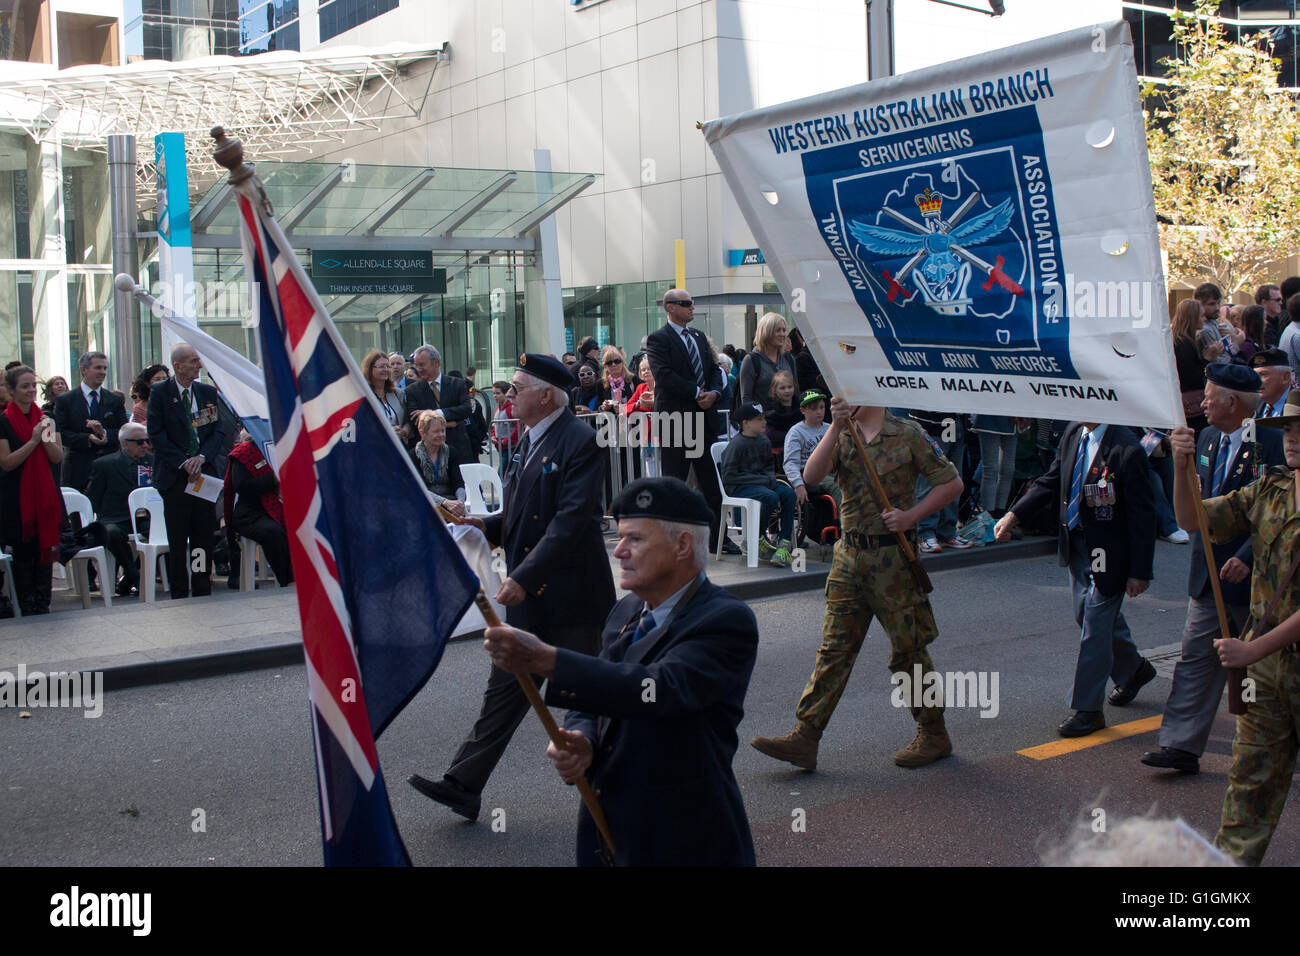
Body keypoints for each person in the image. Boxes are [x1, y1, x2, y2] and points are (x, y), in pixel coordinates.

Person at [483, 476, 758, 866]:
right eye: (620, 538)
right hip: (611, 830)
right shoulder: (626, 610)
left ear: (681, 545)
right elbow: (597, 691)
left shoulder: (725, 620)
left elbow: (657, 689)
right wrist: (583, 738)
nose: (619, 552)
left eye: (635, 539)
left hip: (685, 839)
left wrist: (547, 659)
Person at [409, 354, 615, 821]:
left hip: (572, 600)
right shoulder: (527, 441)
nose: (506, 395)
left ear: (545, 396)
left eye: (517, 388)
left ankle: (615, 790)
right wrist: (488, 526)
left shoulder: (579, 441)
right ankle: (464, 783)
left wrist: (523, 577)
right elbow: (525, 512)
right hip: (532, 596)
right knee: (505, 690)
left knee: (591, 700)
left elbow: (571, 521)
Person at [751, 398, 964, 769]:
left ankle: (934, 733)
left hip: (892, 561)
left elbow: (952, 483)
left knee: (908, 652)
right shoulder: (842, 434)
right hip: (849, 557)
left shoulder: (909, 434)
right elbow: (813, 476)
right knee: (834, 649)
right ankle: (807, 735)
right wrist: (835, 425)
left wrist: (911, 516)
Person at [1166, 395, 1300, 864]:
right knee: (1248, 794)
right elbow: (1192, 519)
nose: (1292, 437)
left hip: (1262, 656)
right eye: (1287, 428)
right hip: (1268, 677)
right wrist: (1184, 468)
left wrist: (1252, 649)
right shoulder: (1270, 492)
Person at [1142, 364, 1284, 774]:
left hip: (1258, 580)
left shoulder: (1273, 444)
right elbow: (1191, 511)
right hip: (1209, 576)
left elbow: (1279, 514)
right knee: (1196, 659)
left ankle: (1269, 749)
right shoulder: (1205, 438)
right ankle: (1180, 745)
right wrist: (1181, 463)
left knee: (1267, 668)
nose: (1201, 404)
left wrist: (1249, 555)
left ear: (1233, 402)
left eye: (1209, 397)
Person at [995, 419, 1156, 737]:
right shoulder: (1073, 434)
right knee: (1085, 614)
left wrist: (1140, 571)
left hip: (1111, 550)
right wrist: (1014, 515)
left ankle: (1087, 709)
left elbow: (1143, 514)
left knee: (1095, 625)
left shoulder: (1127, 448)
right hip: (1078, 543)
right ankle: (1134, 669)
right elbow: (1052, 479)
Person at [645, 288, 728, 553]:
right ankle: (671, 543)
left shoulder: (699, 336)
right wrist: (696, 392)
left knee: (712, 485)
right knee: (674, 484)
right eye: (686, 303)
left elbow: (714, 369)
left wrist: (713, 393)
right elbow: (664, 375)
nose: (692, 307)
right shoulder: (658, 339)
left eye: (692, 303)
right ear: (670, 307)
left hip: (703, 420)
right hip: (675, 421)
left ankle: (718, 540)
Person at [147, 343, 228, 600]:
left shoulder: (205, 392)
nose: (199, 366)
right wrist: (184, 462)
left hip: (203, 474)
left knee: (202, 536)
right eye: (193, 361)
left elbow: (217, 430)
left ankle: (201, 584)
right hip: (175, 476)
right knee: (178, 537)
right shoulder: (160, 392)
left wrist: (201, 457)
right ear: (178, 366)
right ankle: (179, 590)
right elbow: (156, 434)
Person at [0, 365, 64, 614]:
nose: (30, 391)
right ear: (11, 390)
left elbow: (57, 457)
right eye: (24, 387)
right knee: (24, 553)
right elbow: (7, 463)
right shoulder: (4, 421)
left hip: (44, 496)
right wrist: (33, 440)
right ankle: (25, 605)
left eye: (33, 386)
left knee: (44, 549)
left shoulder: (45, 418)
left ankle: (42, 603)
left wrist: (45, 437)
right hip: (15, 498)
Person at [722, 403, 797, 567]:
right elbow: (729, 477)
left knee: (789, 494)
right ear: (745, 423)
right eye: (759, 419)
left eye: (764, 418)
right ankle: (756, 537)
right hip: (739, 487)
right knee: (770, 496)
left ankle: (784, 542)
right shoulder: (737, 445)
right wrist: (762, 481)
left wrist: (769, 479)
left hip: (762, 483)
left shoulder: (763, 440)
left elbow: (769, 468)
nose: (764, 422)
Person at [86, 421, 154, 597]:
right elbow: (93, 497)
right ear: (125, 444)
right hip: (115, 517)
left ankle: (130, 576)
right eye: (140, 442)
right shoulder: (104, 464)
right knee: (112, 533)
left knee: (163, 534)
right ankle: (133, 574)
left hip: (144, 517)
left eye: (147, 441)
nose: (145, 446)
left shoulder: (152, 461)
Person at [223, 430, 292, 587]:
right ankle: (289, 580)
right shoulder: (244, 453)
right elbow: (242, 487)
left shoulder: (284, 448)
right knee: (273, 532)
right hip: (251, 514)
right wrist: (274, 478)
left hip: (282, 508)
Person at [54, 350, 126, 493]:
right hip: (77, 469)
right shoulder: (65, 400)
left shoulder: (115, 400)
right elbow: (61, 433)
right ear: (84, 370)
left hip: (108, 467)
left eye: (105, 368)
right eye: (98, 368)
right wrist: (87, 438)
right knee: (77, 513)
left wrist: (105, 434)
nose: (103, 372)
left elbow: (123, 431)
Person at [910, 409, 972, 553]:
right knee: (929, 482)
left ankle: (947, 531)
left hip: (955, 422)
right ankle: (925, 533)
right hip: (933, 423)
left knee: (953, 480)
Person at [402, 345, 473, 461]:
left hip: (458, 449)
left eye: (422, 365)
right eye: (416, 365)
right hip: (429, 454)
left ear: (436, 362)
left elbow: (466, 409)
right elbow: (415, 418)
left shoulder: (457, 384)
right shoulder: (412, 390)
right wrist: (451, 422)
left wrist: (435, 413)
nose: (419, 369)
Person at [410, 410, 466, 517]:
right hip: (425, 505)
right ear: (422, 433)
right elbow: (419, 489)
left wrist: (460, 502)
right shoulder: (413, 456)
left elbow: (458, 483)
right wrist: (444, 502)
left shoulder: (452, 452)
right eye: (436, 432)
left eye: (443, 431)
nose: (441, 435)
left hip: (452, 503)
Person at [738, 312, 798, 412]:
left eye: (784, 330)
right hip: (764, 422)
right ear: (766, 332)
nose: (783, 334)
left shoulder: (788, 358)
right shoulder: (751, 360)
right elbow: (746, 399)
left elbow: (796, 391)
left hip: (789, 420)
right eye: (778, 330)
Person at [970, 414, 1021, 526]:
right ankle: (988, 517)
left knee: (1008, 470)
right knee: (990, 469)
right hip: (989, 418)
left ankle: (1000, 514)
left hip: (1012, 419)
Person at [1172, 298, 1210, 435]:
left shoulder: (1184, 340)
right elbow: (1192, 376)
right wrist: (1207, 359)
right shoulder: (1183, 343)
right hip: (1191, 407)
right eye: (1201, 316)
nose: (1204, 319)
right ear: (1192, 318)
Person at [361, 349, 408, 442]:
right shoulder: (363, 396)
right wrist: (386, 432)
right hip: (375, 448)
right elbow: (361, 426)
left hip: (399, 447)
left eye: (388, 366)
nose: (386, 369)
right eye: (381, 366)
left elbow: (407, 420)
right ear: (369, 369)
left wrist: (403, 431)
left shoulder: (397, 393)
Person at [624, 355, 659, 477]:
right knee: (650, 471)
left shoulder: (662, 386)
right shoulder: (641, 387)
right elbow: (626, 409)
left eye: (649, 368)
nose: (645, 372)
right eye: (643, 370)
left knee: (661, 470)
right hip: (646, 436)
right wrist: (638, 403)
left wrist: (653, 402)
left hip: (661, 434)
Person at [764, 370, 800, 457]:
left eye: (790, 387)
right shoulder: (770, 412)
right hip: (778, 452)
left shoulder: (801, 407)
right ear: (774, 390)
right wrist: (795, 435)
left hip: (800, 449)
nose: (787, 391)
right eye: (782, 388)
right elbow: (770, 434)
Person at [1252, 347, 1292, 418]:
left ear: (1285, 377)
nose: (1257, 381)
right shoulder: (1253, 405)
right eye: (1255, 375)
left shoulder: (1296, 405)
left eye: (1263, 374)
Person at [597, 346, 630, 412]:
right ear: (605, 366)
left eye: (617, 361)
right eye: (609, 363)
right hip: (610, 421)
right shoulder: (601, 383)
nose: (613, 365)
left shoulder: (632, 380)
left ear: (622, 362)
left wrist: (624, 408)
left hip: (631, 420)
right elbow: (597, 407)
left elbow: (638, 404)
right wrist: (603, 407)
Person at [1256, 284, 1285, 348]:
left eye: (1281, 300)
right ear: (1264, 302)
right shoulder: (1259, 326)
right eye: (1277, 300)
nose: (1281, 303)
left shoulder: (1277, 321)